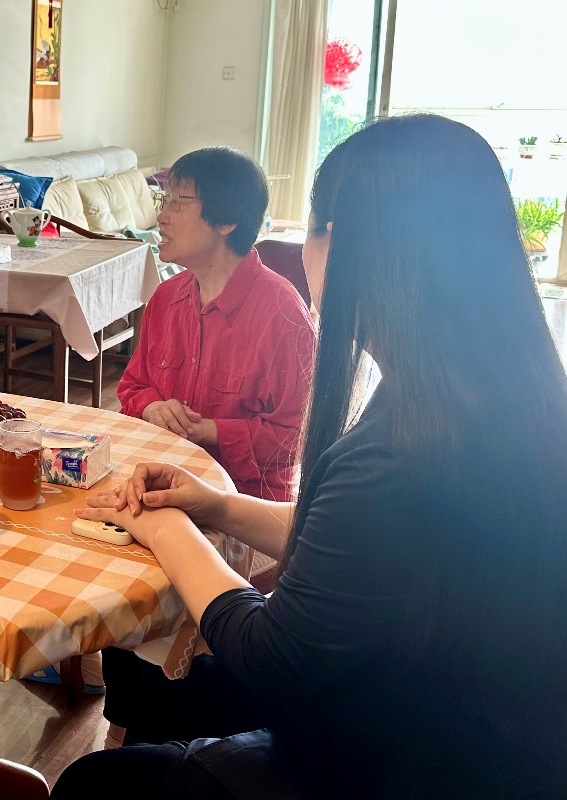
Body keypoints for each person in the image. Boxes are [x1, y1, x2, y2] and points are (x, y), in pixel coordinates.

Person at [54, 115, 567, 799]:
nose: (305, 251)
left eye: (316, 230)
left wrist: (165, 526)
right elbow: (355, 540)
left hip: (401, 758)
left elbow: (272, 658)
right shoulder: (485, 394)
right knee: (153, 688)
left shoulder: (398, 443)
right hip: (462, 726)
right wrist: (215, 505)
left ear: (354, 246)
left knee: (93, 785)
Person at [117, 147, 316, 502]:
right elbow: (134, 385)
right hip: (161, 483)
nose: (161, 216)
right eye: (163, 201)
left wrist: (208, 431)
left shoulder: (283, 315)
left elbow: (295, 440)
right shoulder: (165, 297)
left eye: (177, 203)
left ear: (226, 221)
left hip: (246, 504)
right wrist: (151, 407)